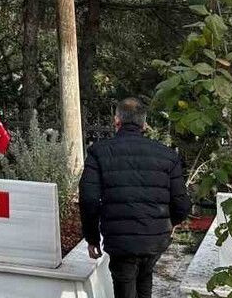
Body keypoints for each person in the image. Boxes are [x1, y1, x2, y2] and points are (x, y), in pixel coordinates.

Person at [79, 97, 191, 298]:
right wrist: (168, 224)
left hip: (120, 241)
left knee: (126, 285)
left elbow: (88, 200)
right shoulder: (167, 155)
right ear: (144, 124)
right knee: (145, 279)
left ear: (117, 121)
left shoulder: (98, 153)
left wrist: (92, 238)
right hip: (154, 240)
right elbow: (182, 203)